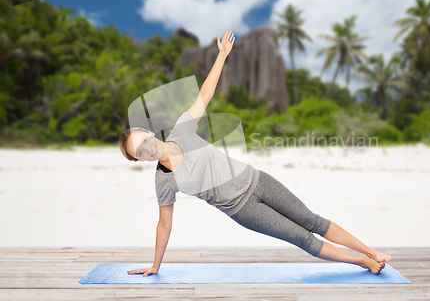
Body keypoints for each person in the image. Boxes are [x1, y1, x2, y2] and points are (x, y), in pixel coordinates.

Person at [120, 30, 391, 277]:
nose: (147, 148)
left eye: (144, 139)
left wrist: (222, 56)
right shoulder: (164, 181)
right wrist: (156, 265)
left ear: (149, 131)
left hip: (258, 180)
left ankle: (371, 252)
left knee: (312, 220)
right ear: (141, 160)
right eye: (140, 151)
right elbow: (164, 226)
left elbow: (206, 94)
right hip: (243, 209)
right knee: (303, 238)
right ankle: (362, 263)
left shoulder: (181, 130)